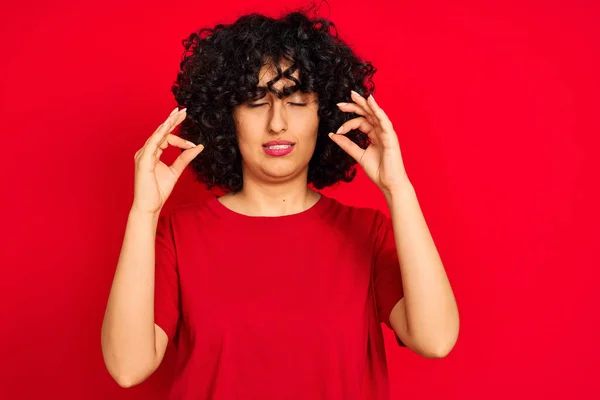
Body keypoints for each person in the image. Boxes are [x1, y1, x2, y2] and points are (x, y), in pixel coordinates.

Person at [101, 7, 459, 400]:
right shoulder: (177, 234)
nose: (277, 123)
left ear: (323, 114)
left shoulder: (367, 233)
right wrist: (143, 213)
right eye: (256, 102)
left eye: (297, 101)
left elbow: (436, 340)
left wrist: (398, 189)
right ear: (227, 117)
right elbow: (127, 367)